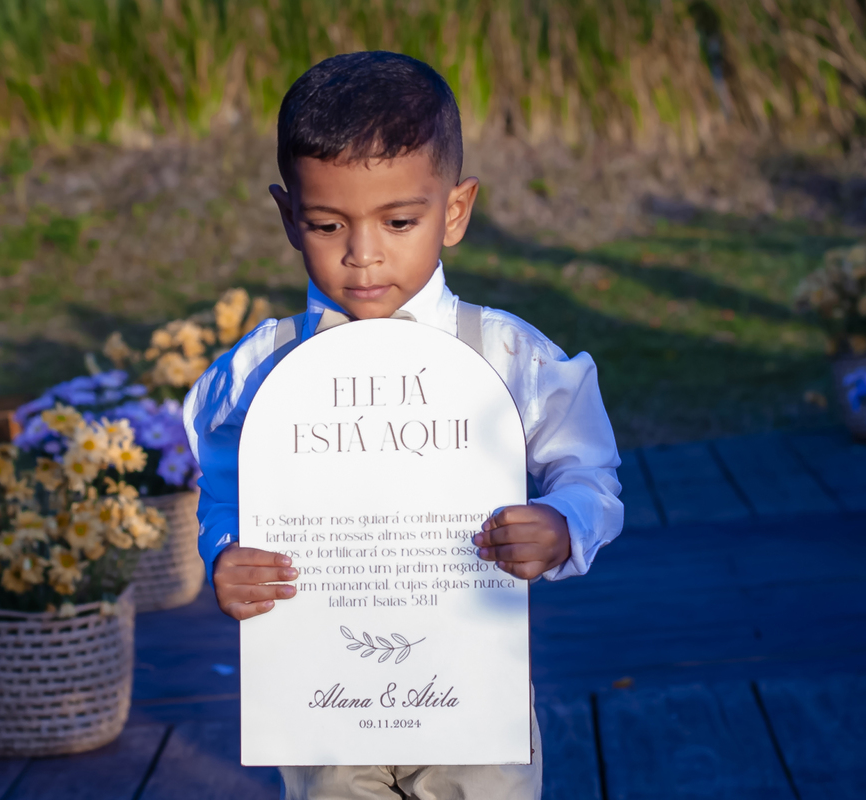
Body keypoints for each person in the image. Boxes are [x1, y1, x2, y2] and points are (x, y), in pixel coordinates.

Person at [184, 52, 624, 799]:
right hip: (319, 693)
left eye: (398, 220)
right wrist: (227, 548)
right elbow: (223, 477)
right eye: (327, 224)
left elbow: (588, 472)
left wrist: (562, 523)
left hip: (470, 690)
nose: (363, 254)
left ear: (454, 211)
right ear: (290, 216)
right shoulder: (263, 367)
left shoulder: (507, 354)